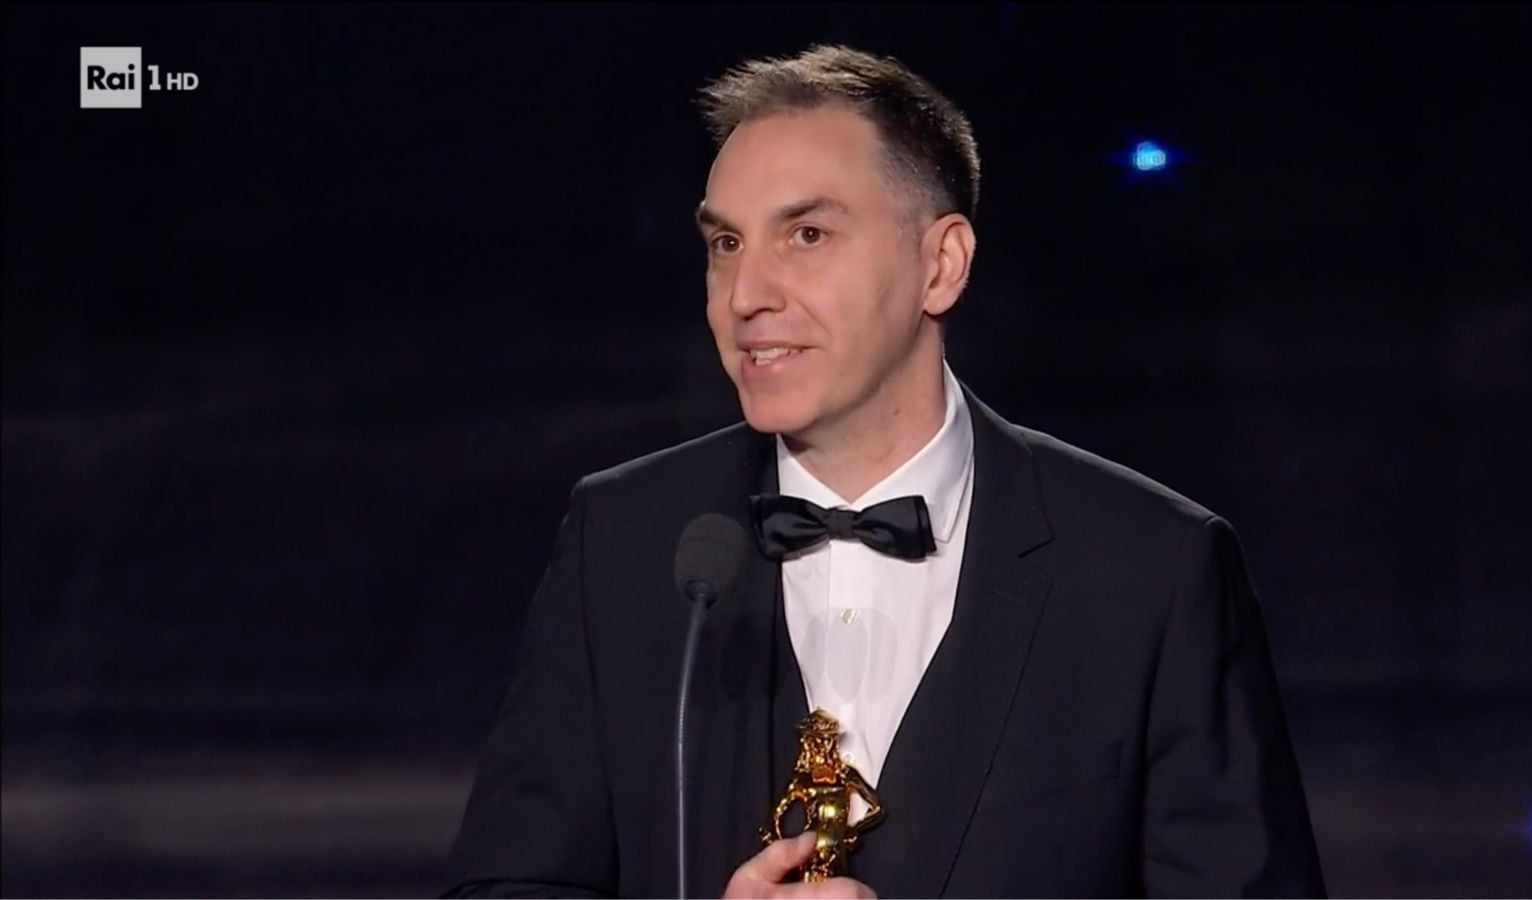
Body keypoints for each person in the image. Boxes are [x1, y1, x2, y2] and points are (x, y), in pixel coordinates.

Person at [445, 44, 1325, 898]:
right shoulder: (623, 541)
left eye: (807, 235)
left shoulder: (1151, 571)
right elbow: (505, 884)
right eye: (725, 244)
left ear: (941, 265)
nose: (746, 295)